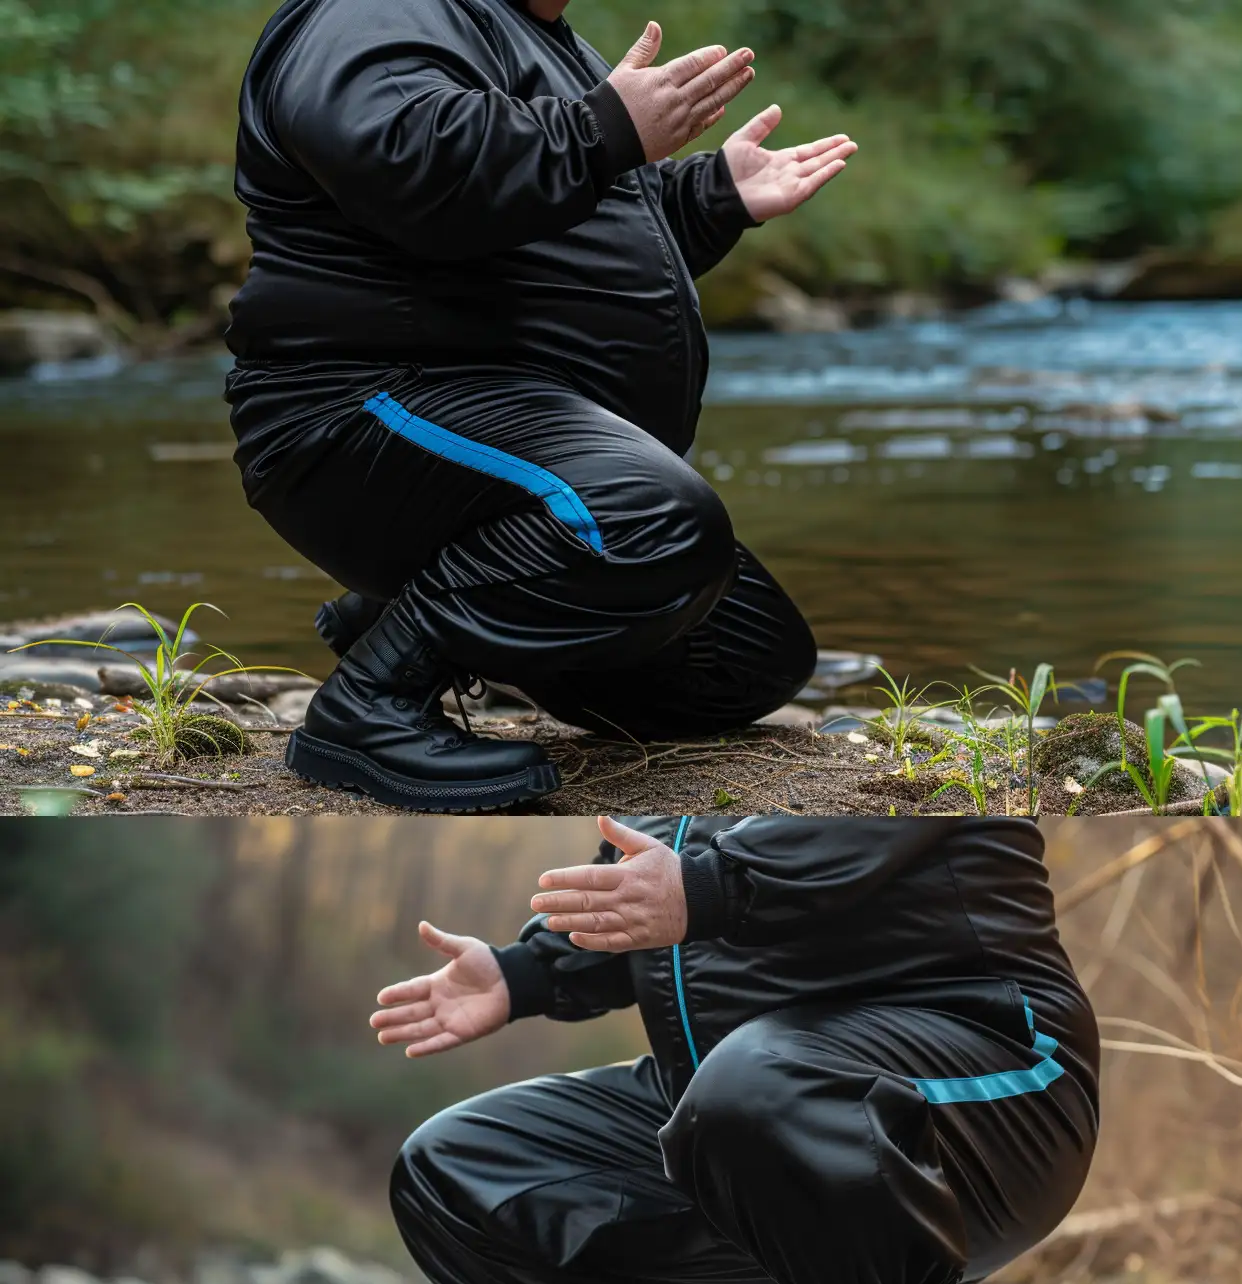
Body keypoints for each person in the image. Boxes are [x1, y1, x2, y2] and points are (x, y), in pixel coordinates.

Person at [373, 816, 1099, 1284]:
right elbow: (640, 903)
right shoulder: (661, 783)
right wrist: (522, 973)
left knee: (760, 1082)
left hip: (995, 1089)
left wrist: (711, 884)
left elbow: (829, 847)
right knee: (455, 1164)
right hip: (732, 1116)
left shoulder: (901, 754)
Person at [224, 0, 859, 811]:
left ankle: (420, 610)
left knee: (749, 659)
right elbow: (409, 162)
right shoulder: (379, 13)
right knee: (652, 521)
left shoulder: (548, 44)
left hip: (488, 417)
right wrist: (605, 129)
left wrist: (712, 196)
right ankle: (369, 706)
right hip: (364, 404)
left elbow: (566, 224)